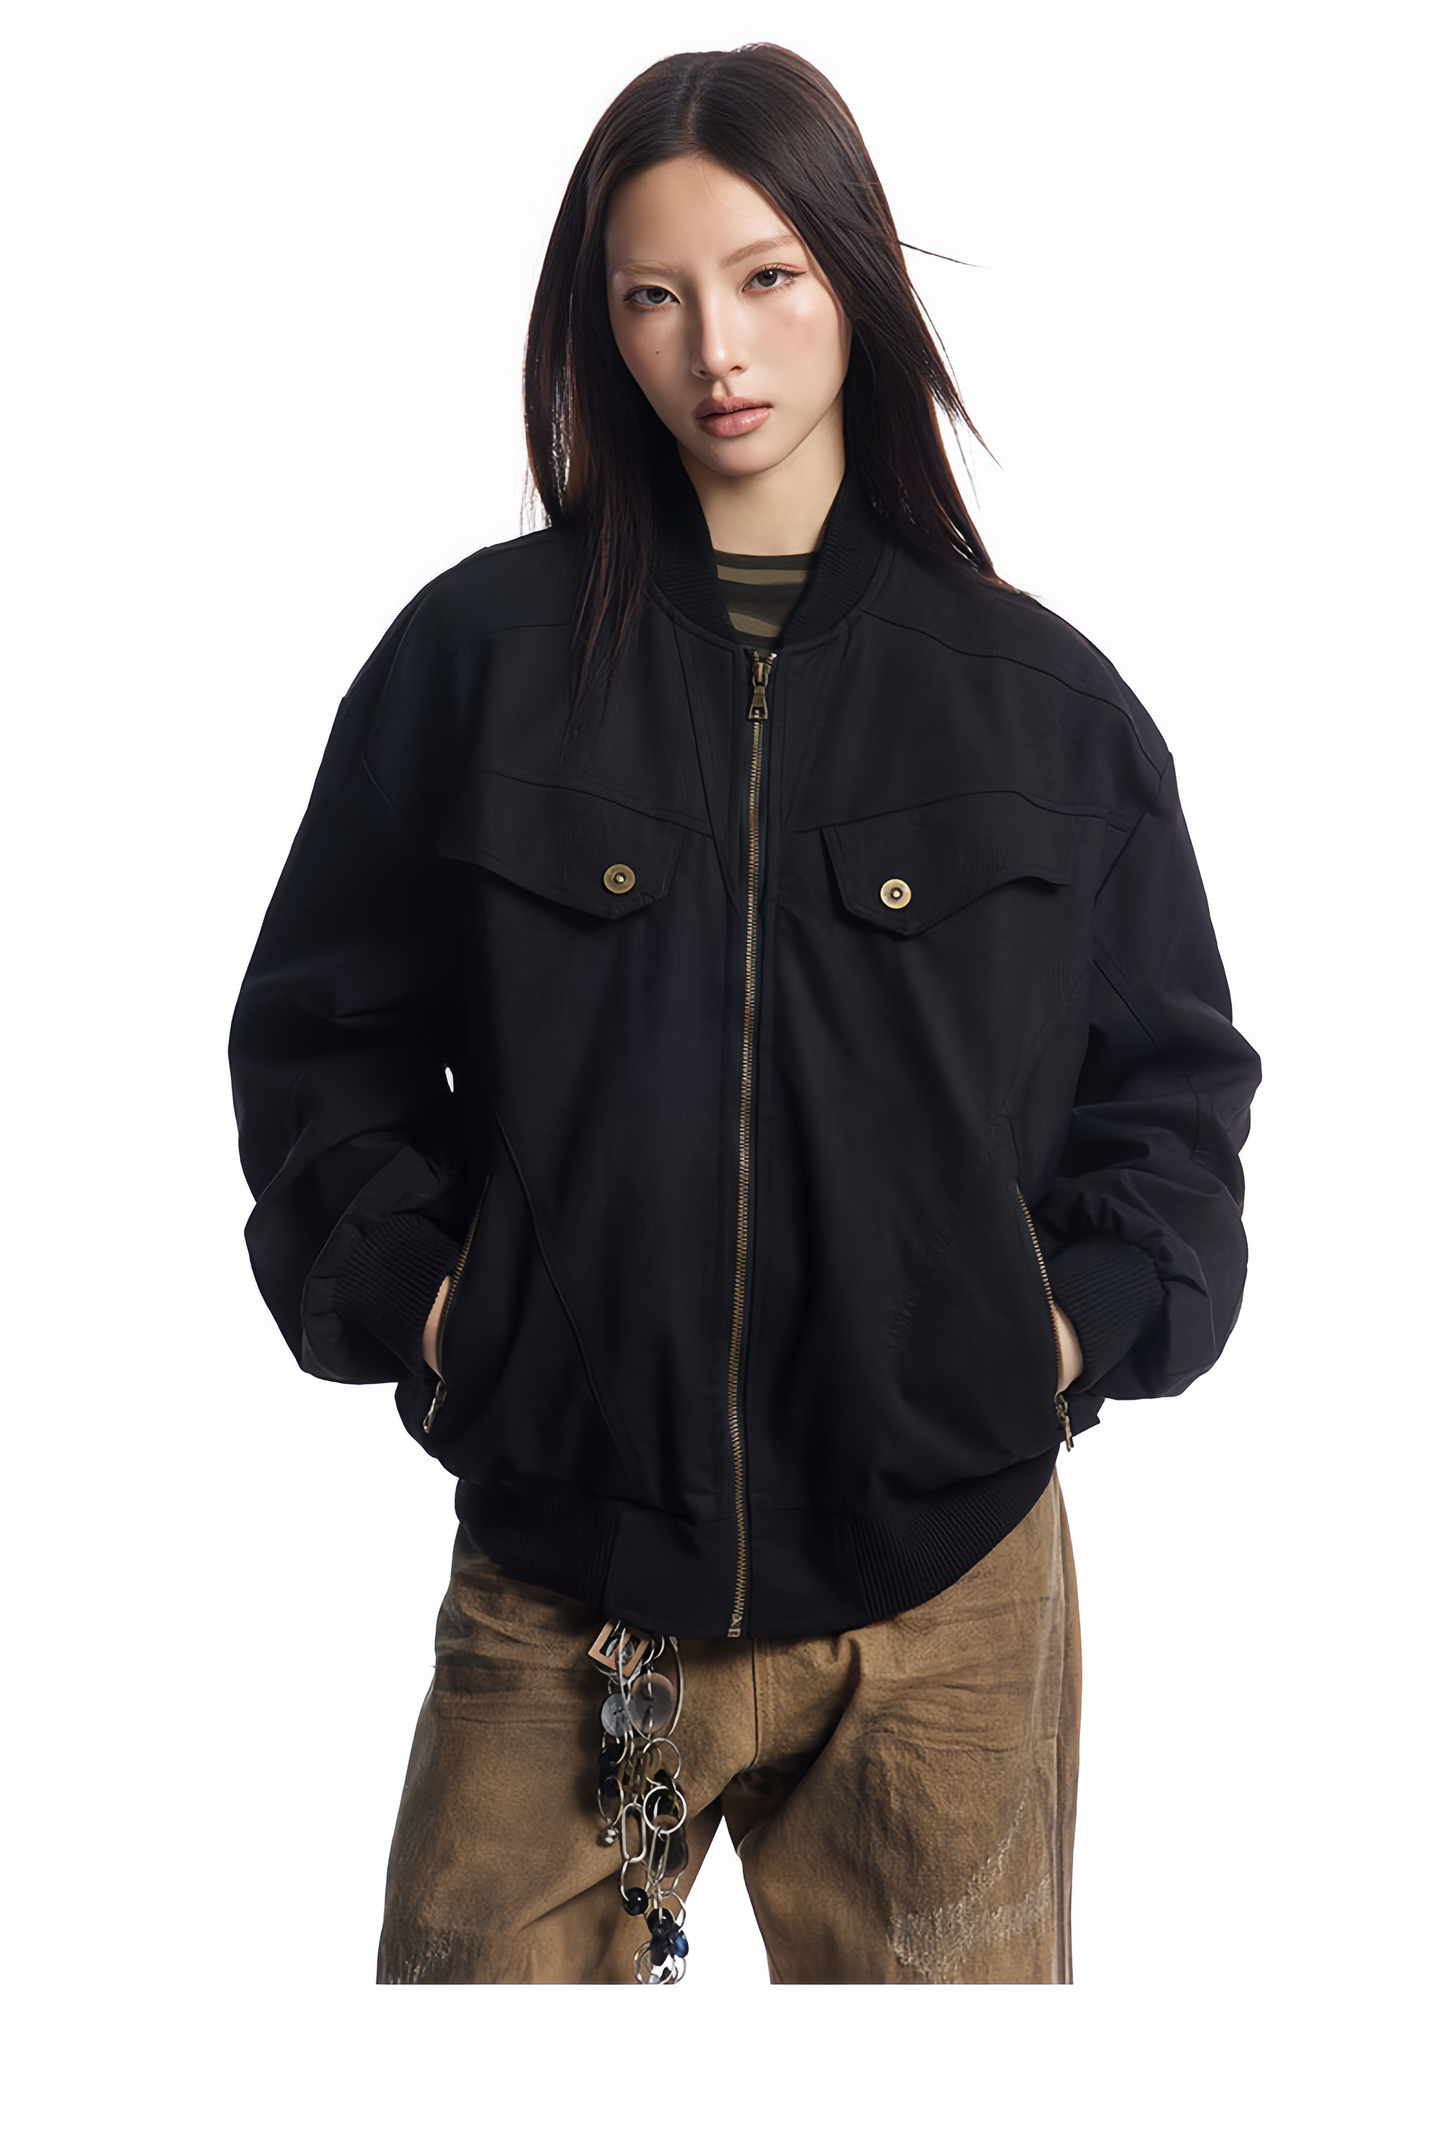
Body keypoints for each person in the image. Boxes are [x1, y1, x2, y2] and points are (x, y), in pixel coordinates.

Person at [229, 43, 1260, 1986]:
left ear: (853, 278)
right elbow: (318, 1035)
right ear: (596, 323)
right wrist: (439, 1309)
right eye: (653, 293)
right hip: (569, 1579)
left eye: (767, 275)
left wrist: (1051, 1334)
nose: (715, 347)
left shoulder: (1043, 708)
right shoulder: (476, 664)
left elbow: (1169, 1092)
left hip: (945, 1603)